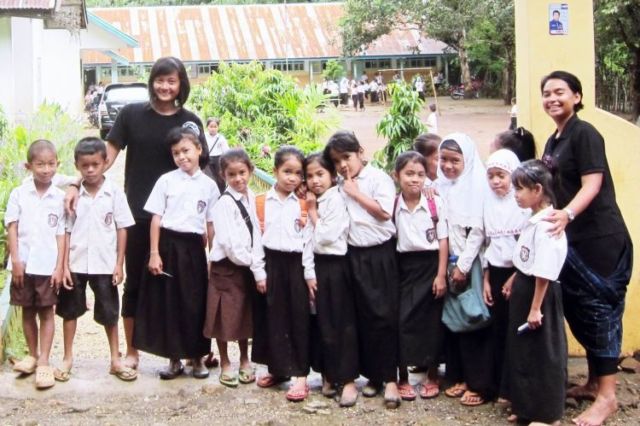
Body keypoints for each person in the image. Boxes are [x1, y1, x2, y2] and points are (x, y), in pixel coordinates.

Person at [65, 56, 210, 371]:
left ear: (181, 84)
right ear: (152, 82)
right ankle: (132, 351)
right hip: (137, 217)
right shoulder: (131, 115)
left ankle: (192, 350)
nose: (165, 86)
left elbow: (204, 167)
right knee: (135, 284)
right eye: (160, 80)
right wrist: (77, 183)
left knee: (185, 287)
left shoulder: (190, 120)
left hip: (180, 223)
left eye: (172, 81)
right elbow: (107, 156)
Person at [541, 70, 632, 426]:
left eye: (559, 92)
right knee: (581, 309)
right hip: (572, 240)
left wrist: (566, 214)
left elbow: (593, 183)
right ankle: (594, 383)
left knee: (601, 312)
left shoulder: (584, 133)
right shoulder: (553, 141)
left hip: (600, 239)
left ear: (577, 96)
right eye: (546, 93)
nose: (552, 98)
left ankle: (608, 398)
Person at [133, 126, 219, 380]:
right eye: (176, 153)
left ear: (199, 149)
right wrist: (154, 253)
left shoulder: (210, 186)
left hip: (193, 249)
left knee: (194, 303)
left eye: (186, 151)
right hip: (168, 247)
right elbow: (156, 219)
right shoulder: (166, 180)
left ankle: (197, 357)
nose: (182, 157)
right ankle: (174, 359)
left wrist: (212, 257)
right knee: (168, 304)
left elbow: (211, 225)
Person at [323, 131, 401, 408]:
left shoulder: (377, 178)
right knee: (357, 318)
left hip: (380, 254)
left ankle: (389, 378)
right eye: (337, 161)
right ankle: (369, 378)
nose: (343, 165)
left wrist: (355, 194)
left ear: (360, 152)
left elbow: (384, 213)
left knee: (383, 315)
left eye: (347, 157)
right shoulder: (339, 184)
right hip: (351, 256)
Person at [56, 137, 137, 383]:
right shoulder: (72, 195)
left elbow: (122, 228)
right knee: (69, 312)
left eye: (95, 164)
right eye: (85, 166)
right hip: (76, 263)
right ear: (77, 166)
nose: (90, 170)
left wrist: (119, 263)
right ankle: (67, 358)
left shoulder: (114, 193)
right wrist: (64, 266)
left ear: (105, 162)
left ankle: (115, 359)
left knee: (110, 313)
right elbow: (66, 230)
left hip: (104, 264)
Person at [503, 159, 568, 425]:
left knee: (543, 354)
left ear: (538, 190)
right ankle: (524, 405)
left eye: (520, 189)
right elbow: (527, 258)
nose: (516, 195)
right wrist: (514, 277)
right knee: (522, 351)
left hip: (540, 293)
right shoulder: (533, 219)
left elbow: (543, 270)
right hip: (525, 286)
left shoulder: (549, 225)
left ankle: (546, 413)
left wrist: (535, 307)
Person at [252, 146, 315, 402]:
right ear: (275, 171)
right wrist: (259, 273)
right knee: (273, 317)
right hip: (271, 264)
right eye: (287, 171)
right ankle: (278, 369)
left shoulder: (303, 204)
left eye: (298, 174)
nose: (292, 178)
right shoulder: (260, 202)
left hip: (297, 265)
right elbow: (256, 240)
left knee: (299, 318)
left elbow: (310, 240)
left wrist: (309, 273)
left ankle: (300, 375)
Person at [6, 139, 66, 389]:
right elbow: (12, 226)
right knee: (27, 310)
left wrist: (60, 267)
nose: (46, 169)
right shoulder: (19, 193)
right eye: (40, 164)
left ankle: (44, 361)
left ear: (57, 164)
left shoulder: (60, 197)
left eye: (51, 164)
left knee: (47, 311)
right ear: (28, 166)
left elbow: (62, 234)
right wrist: (16, 259)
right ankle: (32, 354)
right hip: (23, 263)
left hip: (47, 265)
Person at [438, 133, 492, 407]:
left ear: (467, 160)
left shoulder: (477, 186)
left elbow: (478, 231)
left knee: (473, 320)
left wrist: (462, 265)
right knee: (455, 321)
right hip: (450, 262)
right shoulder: (441, 186)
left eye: (455, 160)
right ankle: (458, 377)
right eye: (443, 159)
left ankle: (478, 384)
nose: (448, 165)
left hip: (469, 263)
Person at [204, 149, 265, 388]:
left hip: (246, 265)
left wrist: (255, 264)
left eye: (242, 173)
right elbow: (228, 243)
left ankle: (244, 359)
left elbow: (257, 232)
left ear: (250, 171)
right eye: (232, 174)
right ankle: (225, 362)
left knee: (243, 314)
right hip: (228, 266)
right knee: (222, 316)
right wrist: (251, 262)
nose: (238, 179)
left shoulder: (252, 196)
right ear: (223, 176)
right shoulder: (223, 205)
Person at [304, 152, 359, 407]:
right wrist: (308, 272)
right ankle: (328, 373)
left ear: (332, 176)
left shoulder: (335, 200)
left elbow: (326, 235)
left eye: (320, 174)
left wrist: (313, 212)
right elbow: (308, 240)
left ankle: (347, 379)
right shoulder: (315, 200)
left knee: (342, 323)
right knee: (323, 322)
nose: (315, 181)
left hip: (338, 267)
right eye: (310, 176)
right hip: (319, 266)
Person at [393, 151, 448, 401]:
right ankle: (402, 376)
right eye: (409, 174)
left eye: (421, 174)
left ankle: (432, 375)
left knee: (432, 323)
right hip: (404, 267)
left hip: (431, 265)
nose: (415, 179)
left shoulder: (435, 203)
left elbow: (443, 240)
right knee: (402, 321)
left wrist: (440, 275)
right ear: (397, 176)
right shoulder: (394, 204)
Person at [482, 149, 530, 403]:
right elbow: (490, 244)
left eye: (501, 175)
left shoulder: (522, 205)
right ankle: (501, 387)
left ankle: (518, 391)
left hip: (520, 274)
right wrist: (486, 278)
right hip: (497, 274)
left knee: (517, 332)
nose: (495, 182)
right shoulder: (488, 203)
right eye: (491, 176)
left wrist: (516, 276)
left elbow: (527, 246)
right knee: (498, 331)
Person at [205, 117, 229, 193]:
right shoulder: (204, 136)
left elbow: (226, 150)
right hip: (208, 159)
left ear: (218, 127)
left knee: (220, 177)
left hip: (218, 159)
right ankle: (212, 194)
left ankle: (222, 193)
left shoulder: (221, 138)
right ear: (207, 127)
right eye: (211, 126)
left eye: (215, 127)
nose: (213, 129)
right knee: (210, 177)